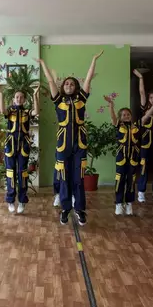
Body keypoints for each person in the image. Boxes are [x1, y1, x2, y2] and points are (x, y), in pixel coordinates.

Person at [36, 51, 103, 225]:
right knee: (64, 177)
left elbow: (88, 80)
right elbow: (51, 81)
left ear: (76, 87)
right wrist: (43, 63)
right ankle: (65, 209)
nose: (69, 85)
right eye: (66, 83)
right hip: (62, 145)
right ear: (63, 87)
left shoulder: (81, 99)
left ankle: (80, 209)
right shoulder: (58, 100)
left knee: (78, 178)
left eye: (72, 84)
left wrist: (93, 60)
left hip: (80, 144)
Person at [108, 97, 153, 215]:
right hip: (121, 157)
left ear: (131, 116)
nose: (126, 116)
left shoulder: (137, 125)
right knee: (120, 180)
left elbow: (147, 116)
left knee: (131, 181)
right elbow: (112, 117)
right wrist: (111, 105)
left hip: (133, 158)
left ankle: (129, 203)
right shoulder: (118, 125)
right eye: (124, 115)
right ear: (120, 117)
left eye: (128, 114)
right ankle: (118, 203)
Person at [0, 86, 39, 213]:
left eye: (21, 97)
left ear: (24, 99)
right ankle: (10, 200)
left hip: (24, 145)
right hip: (10, 144)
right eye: (17, 97)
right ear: (13, 99)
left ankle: (22, 201)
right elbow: (2, 110)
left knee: (23, 173)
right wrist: (1, 95)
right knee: (10, 172)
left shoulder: (27, 111)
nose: (19, 99)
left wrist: (35, 94)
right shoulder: (10, 111)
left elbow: (36, 111)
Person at [133, 69, 153, 204]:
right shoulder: (144, 107)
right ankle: (141, 191)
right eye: (151, 97)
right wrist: (141, 78)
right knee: (144, 167)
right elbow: (141, 92)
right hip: (146, 141)